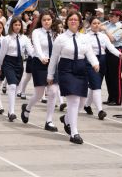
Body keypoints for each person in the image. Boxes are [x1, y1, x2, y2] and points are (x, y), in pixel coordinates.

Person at [47, 12, 100, 144]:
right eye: (71, 19)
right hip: (66, 68)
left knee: (83, 100)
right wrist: (50, 75)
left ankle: (66, 119)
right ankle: (74, 132)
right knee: (74, 100)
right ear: (67, 22)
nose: (73, 21)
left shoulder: (84, 38)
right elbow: (53, 58)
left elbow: (89, 52)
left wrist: (95, 63)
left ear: (80, 22)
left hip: (81, 68)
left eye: (76, 19)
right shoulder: (60, 38)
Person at [20, 11, 60, 131]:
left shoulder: (56, 33)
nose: (46, 22)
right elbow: (36, 46)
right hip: (40, 63)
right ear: (40, 21)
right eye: (44, 20)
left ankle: (49, 121)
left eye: (48, 19)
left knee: (53, 91)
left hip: (53, 64)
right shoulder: (37, 32)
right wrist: (42, 57)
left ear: (52, 20)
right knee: (38, 94)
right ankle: (27, 107)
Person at [83, 16, 122, 120]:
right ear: (90, 25)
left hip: (103, 60)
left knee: (94, 86)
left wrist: (119, 54)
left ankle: (87, 105)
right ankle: (100, 110)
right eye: (94, 23)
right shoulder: (86, 36)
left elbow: (111, 47)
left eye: (98, 23)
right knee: (96, 86)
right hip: (91, 61)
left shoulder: (103, 36)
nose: (96, 25)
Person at [0, 17, 34, 122]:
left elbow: (31, 51)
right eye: (15, 25)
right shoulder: (7, 39)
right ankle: (11, 112)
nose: (17, 27)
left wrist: (40, 56)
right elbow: (1, 54)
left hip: (19, 63)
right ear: (11, 26)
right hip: (8, 62)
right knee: (12, 86)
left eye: (19, 25)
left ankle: (11, 110)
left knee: (16, 87)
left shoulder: (24, 38)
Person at [103, 9, 122, 106]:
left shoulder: (121, 28)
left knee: (115, 76)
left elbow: (112, 39)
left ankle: (117, 99)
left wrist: (105, 30)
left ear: (118, 17)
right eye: (110, 16)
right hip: (107, 51)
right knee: (108, 76)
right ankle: (111, 97)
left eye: (112, 16)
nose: (110, 18)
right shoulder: (108, 25)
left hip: (117, 51)